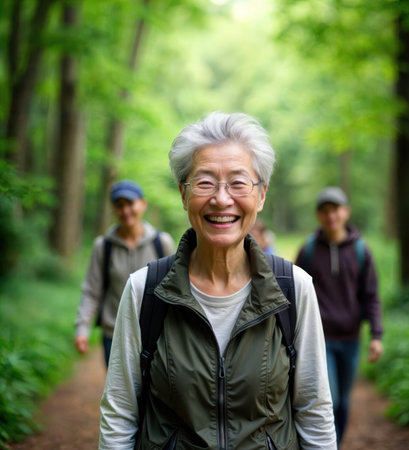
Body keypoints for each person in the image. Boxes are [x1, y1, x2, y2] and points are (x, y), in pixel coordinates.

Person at [99, 112, 337, 449]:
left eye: (238, 183)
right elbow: (120, 413)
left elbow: (314, 410)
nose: (222, 199)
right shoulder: (145, 290)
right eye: (205, 182)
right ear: (184, 194)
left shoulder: (293, 288)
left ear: (261, 194)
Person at [294, 186, 383, 447]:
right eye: (324, 211)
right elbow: (295, 291)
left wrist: (376, 335)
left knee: (343, 400)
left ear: (345, 212)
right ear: (318, 215)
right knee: (328, 398)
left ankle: (337, 443)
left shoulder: (360, 250)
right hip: (318, 338)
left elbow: (371, 296)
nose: (330, 216)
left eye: (335, 210)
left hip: (351, 339)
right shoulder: (308, 250)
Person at [74, 180, 175, 367]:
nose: (126, 210)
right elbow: (91, 290)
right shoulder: (103, 246)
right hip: (114, 335)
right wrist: (82, 329)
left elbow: (175, 288)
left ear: (143, 204)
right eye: (119, 205)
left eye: (130, 203)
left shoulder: (162, 242)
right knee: (120, 395)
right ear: (114, 209)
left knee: (152, 394)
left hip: (153, 334)